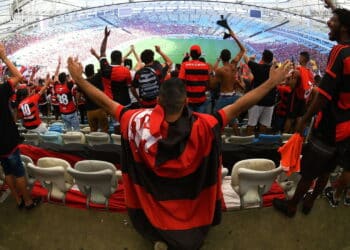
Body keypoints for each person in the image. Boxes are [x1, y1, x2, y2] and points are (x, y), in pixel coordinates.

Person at [67, 55, 291, 249]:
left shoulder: (135, 122)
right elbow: (241, 105)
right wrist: (272, 82)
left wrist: (78, 79)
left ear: (158, 100)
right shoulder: (205, 125)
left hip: (151, 211)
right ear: (185, 102)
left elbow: (105, 103)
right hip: (192, 211)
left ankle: (160, 232)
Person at [273, 1, 350, 216]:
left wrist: (304, 119)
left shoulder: (339, 51)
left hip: (329, 124)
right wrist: (334, 6)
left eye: (333, 21)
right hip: (346, 126)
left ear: (343, 28)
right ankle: (309, 203)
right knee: (327, 168)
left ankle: (291, 205)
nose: (328, 22)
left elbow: (324, 94)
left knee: (309, 169)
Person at [0, 43, 40, 210]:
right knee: (18, 172)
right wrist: (3, 57)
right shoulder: (1, 90)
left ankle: (17, 200)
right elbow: (19, 77)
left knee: (7, 171)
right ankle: (28, 201)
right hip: (8, 139)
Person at [210, 30, 246, 135]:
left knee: (214, 118)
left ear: (221, 58)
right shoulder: (234, 65)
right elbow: (243, 50)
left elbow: (212, 85)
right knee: (232, 119)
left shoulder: (219, 71)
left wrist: (210, 75)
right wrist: (234, 36)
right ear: (230, 57)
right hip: (234, 97)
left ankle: (215, 138)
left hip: (224, 98)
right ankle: (239, 139)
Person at [244, 49, 276, 135]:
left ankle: (247, 144)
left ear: (262, 58)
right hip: (270, 102)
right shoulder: (275, 71)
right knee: (264, 126)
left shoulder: (258, 67)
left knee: (251, 124)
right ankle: (260, 145)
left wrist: (251, 58)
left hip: (257, 100)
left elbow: (245, 59)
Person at [179, 44, 210, 113]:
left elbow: (181, 82)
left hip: (188, 99)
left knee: (190, 121)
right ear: (200, 54)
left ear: (190, 54)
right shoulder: (206, 66)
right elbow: (208, 83)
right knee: (199, 120)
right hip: (201, 99)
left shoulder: (184, 65)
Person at [54, 58, 80, 131]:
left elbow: (55, 75)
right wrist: (70, 65)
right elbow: (74, 76)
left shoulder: (56, 86)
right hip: (71, 112)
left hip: (63, 113)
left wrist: (59, 64)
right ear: (66, 79)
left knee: (68, 131)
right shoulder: (68, 86)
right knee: (77, 130)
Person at [84, 64, 109, 133]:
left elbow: (79, 96)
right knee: (105, 130)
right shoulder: (97, 77)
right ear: (93, 71)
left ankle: (94, 143)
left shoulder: (83, 82)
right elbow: (105, 67)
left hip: (89, 111)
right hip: (100, 108)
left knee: (93, 131)